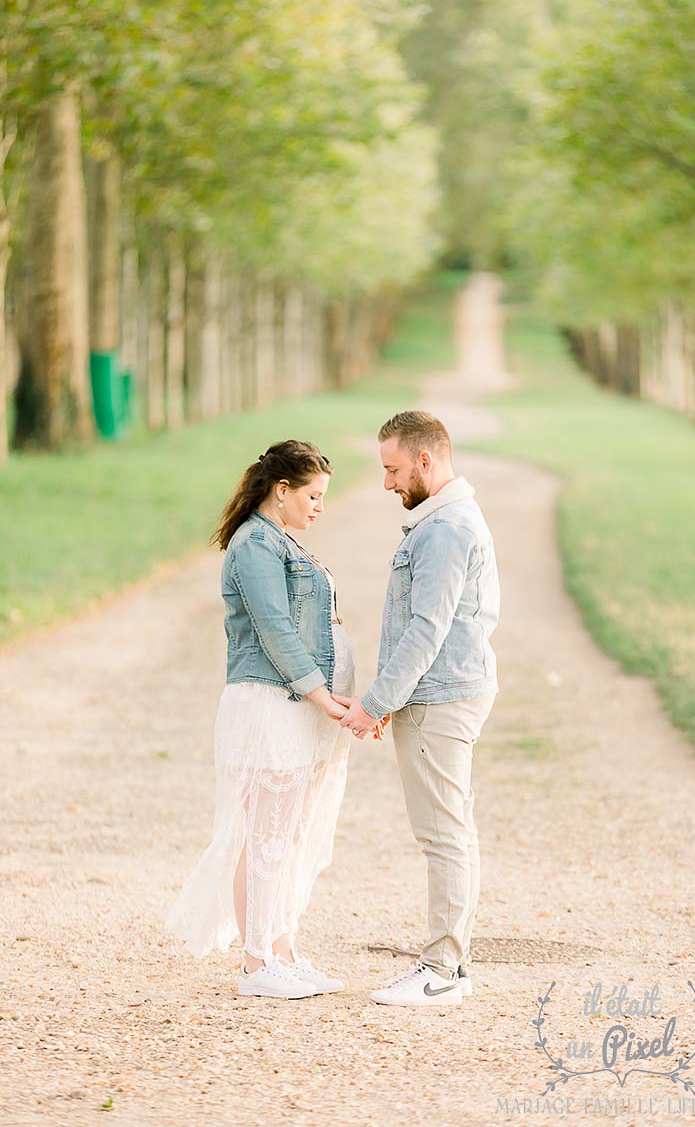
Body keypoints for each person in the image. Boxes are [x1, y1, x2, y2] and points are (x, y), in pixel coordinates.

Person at [165, 439, 387, 999]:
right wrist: (328, 701)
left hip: (300, 708)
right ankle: (257, 961)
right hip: (271, 704)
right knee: (264, 834)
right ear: (281, 491)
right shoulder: (255, 546)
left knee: (291, 833)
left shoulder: (281, 541)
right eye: (312, 495)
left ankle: (284, 950)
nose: (319, 506)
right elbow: (275, 632)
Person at [339, 411, 500, 1006]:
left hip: (441, 697)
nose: (386, 484)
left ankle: (441, 971)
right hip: (443, 693)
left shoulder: (446, 529)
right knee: (450, 829)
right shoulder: (442, 522)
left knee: (443, 835)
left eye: (392, 469)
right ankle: (449, 965)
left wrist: (375, 704)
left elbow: (427, 629)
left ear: (425, 461)